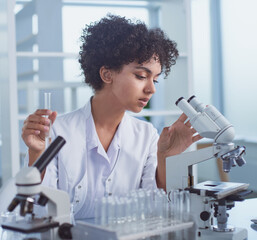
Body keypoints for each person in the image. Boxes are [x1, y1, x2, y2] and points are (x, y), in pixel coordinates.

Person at [21, 14, 202, 220]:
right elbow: (38, 212)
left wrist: (167, 159)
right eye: (141, 76)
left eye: (155, 80)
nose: (151, 88)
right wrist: (36, 154)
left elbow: (156, 212)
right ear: (107, 75)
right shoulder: (57, 132)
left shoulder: (146, 136)